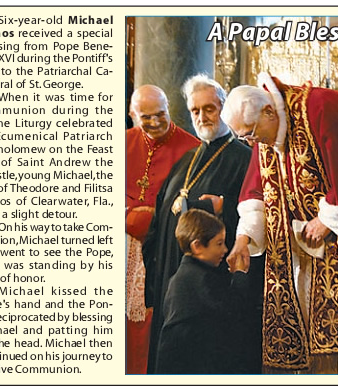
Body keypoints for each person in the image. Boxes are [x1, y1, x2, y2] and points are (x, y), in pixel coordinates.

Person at [221, 73, 338, 374]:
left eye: (250, 134)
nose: (251, 143)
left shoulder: (319, 106)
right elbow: (257, 193)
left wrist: (327, 218)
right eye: (243, 137)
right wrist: (243, 238)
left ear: (269, 111)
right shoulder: (263, 129)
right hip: (305, 250)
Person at [143, 74, 252, 373]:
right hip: (173, 279)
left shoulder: (245, 158)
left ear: (223, 107)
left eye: (209, 108)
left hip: (210, 294)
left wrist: (222, 206)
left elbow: (255, 212)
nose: (202, 116)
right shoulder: (187, 159)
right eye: (195, 111)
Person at [126, 84, 200, 374]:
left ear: (169, 109)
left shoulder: (191, 148)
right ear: (133, 116)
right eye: (146, 117)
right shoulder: (122, 142)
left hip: (161, 252)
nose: (155, 122)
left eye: (161, 114)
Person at [155, 209, 249, 374]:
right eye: (219, 243)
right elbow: (234, 309)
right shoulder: (200, 280)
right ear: (197, 246)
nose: (225, 249)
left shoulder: (183, 276)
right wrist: (240, 275)